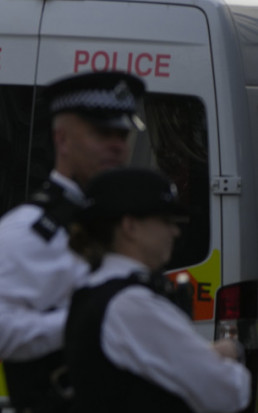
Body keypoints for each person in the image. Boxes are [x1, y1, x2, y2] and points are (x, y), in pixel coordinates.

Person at [0, 71, 146, 413]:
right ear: (62, 140)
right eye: (102, 132)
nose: (117, 145)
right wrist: (85, 323)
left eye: (122, 133)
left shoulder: (126, 223)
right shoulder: (28, 229)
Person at [64, 167, 251, 413]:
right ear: (130, 226)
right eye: (165, 220)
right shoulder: (131, 304)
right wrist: (229, 355)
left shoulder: (93, 289)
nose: (174, 231)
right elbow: (227, 394)